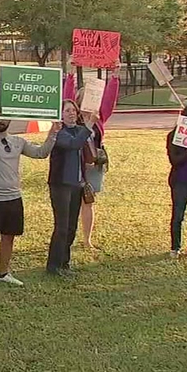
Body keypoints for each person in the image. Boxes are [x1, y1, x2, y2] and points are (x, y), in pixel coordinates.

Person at [0, 104, 59, 293]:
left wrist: (53, 132)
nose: (1, 119)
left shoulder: (18, 141)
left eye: (4, 116)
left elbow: (40, 153)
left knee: (9, 237)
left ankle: (3, 273)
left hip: (13, 197)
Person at [63, 69, 120, 248]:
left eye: (92, 97)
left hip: (93, 166)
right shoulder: (73, 118)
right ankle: (67, 237)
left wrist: (115, 78)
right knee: (71, 203)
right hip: (74, 165)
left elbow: (110, 100)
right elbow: (67, 97)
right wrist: (70, 77)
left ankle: (87, 240)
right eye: (84, 98)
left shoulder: (99, 117)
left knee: (88, 201)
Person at [46, 100, 92, 276]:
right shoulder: (60, 133)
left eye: (74, 110)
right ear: (61, 114)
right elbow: (73, 144)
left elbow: (88, 140)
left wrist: (89, 121)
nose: (71, 113)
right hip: (61, 185)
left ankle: (65, 262)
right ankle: (53, 265)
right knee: (62, 226)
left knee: (72, 226)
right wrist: (89, 125)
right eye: (67, 111)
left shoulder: (79, 130)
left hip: (76, 184)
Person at [166, 104, 187, 258]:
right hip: (180, 182)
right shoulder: (174, 136)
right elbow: (174, 160)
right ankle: (175, 247)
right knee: (178, 215)